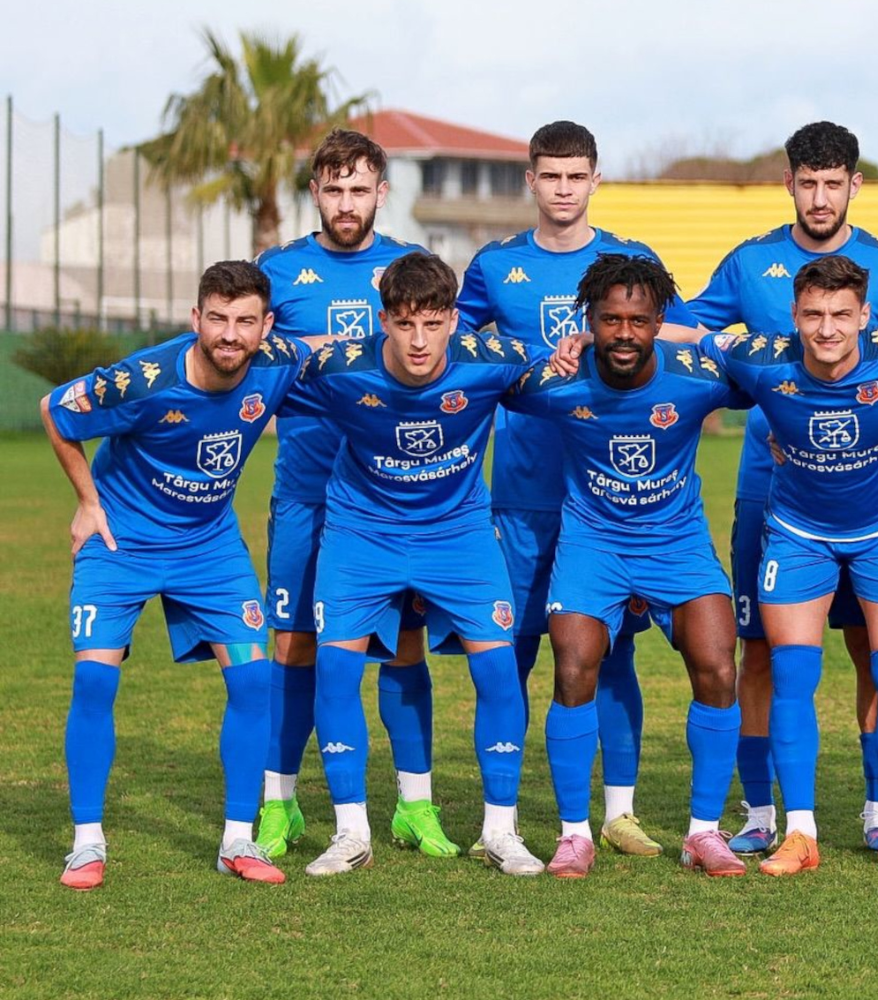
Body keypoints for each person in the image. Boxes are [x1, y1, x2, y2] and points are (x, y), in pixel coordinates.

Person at [628, 255, 878, 877]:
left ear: (865, 316)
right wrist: (586, 337)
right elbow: (685, 333)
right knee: (792, 673)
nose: (826, 328)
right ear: (794, 316)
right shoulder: (761, 356)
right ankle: (799, 833)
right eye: (812, 315)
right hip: (799, 536)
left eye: (840, 315)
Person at [687, 120, 878, 854]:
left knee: (874, 648)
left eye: (834, 183)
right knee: (761, 652)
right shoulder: (750, 263)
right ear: (790, 183)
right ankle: (762, 814)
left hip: (869, 493)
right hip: (771, 490)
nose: (821, 197)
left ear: (854, 185)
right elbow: (686, 333)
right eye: (809, 183)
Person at [457, 121, 699, 859]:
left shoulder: (630, 261)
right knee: (511, 658)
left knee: (613, 658)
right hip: (525, 493)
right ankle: (499, 822)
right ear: (530, 181)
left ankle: (619, 813)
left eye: (576, 176)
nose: (563, 189)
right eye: (550, 176)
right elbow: (459, 351)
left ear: (596, 180)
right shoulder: (494, 267)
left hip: (612, 503)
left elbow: (687, 337)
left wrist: (598, 337)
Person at [42, 261, 309, 889]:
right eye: (217, 318)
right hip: (122, 543)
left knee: (254, 680)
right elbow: (54, 409)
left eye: (245, 321)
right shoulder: (143, 380)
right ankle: (86, 844)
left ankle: (238, 841)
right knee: (94, 681)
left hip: (209, 548)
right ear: (195, 318)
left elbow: (332, 347)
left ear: (266, 326)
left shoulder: (279, 361)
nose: (230, 334)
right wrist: (88, 502)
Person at [284, 252, 544, 877]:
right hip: (361, 533)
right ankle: (350, 832)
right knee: (335, 672)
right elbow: (246, 375)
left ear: (454, 320)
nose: (419, 340)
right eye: (404, 324)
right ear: (383, 321)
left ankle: (500, 831)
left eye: (432, 323)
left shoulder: (494, 360)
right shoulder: (341, 367)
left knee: (499, 670)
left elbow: (573, 375)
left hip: (458, 535)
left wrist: (577, 347)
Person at [504, 254, 750, 878]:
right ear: (588, 320)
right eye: (609, 320)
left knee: (719, 667)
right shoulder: (558, 380)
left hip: (676, 544)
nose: (623, 333)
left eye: (638, 321)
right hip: (594, 545)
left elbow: (777, 380)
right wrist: (560, 350)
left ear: (659, 322)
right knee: (573, 668)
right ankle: (574, 835)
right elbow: (489, 382)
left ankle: (703, 833)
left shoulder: (697, 376)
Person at [253, 129, 448, 861]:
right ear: (314, 192)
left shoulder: (409, 270)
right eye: (333, 190)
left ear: (381, 193)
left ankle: (415, 807)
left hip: (396, 500)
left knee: (404, 645)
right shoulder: (277, 271)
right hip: (307, 492)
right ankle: (279, 806)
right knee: (294, 643)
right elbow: (245, 358)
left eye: (359, 189)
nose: (345, 203)